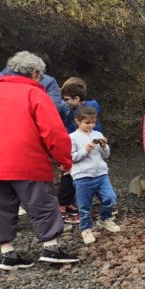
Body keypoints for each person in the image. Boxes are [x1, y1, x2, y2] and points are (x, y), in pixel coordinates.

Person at [0, 51, 79, 269]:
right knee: (42, 204)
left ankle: (7, 254)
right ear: (35, 73)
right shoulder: (34, 94)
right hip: (27, 160)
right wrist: (65, 160)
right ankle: (51, 248)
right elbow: (53, 132)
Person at [69, 105, 119, 245]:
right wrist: (85, 151)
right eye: (87, 122)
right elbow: (70, 157)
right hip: (82, 177)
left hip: (101, 174)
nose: (90, 125)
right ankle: (85, 229)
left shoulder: (97, 135)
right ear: (77, 121)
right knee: (84, 206)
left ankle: (104, 219)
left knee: (110, 198)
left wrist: (104, 146)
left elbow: (106, 155)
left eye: (93, 122)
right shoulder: (72, 137)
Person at [57, 77, 103, 225]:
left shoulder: (83, 112)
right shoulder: (75, 109)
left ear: (77, 98)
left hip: (86, 146)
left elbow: (75, 130)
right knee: (69, 173)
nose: (64, 102)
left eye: (66, 99)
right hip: (77, 146)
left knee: (77, 174)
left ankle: (66, 203)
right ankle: (65, 203)